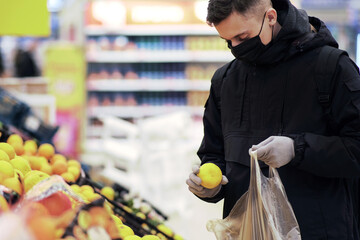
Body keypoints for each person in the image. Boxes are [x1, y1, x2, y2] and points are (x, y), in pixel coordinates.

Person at [185, 0, 360, 239]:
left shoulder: (331, 68)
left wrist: (296, 149)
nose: (236, 48)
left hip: (318, 230)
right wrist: (210, 186)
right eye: (228, 42)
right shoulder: (225, 81)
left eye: (243, 38)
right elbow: (213, 154)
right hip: (247, 230)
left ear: (270, 17)